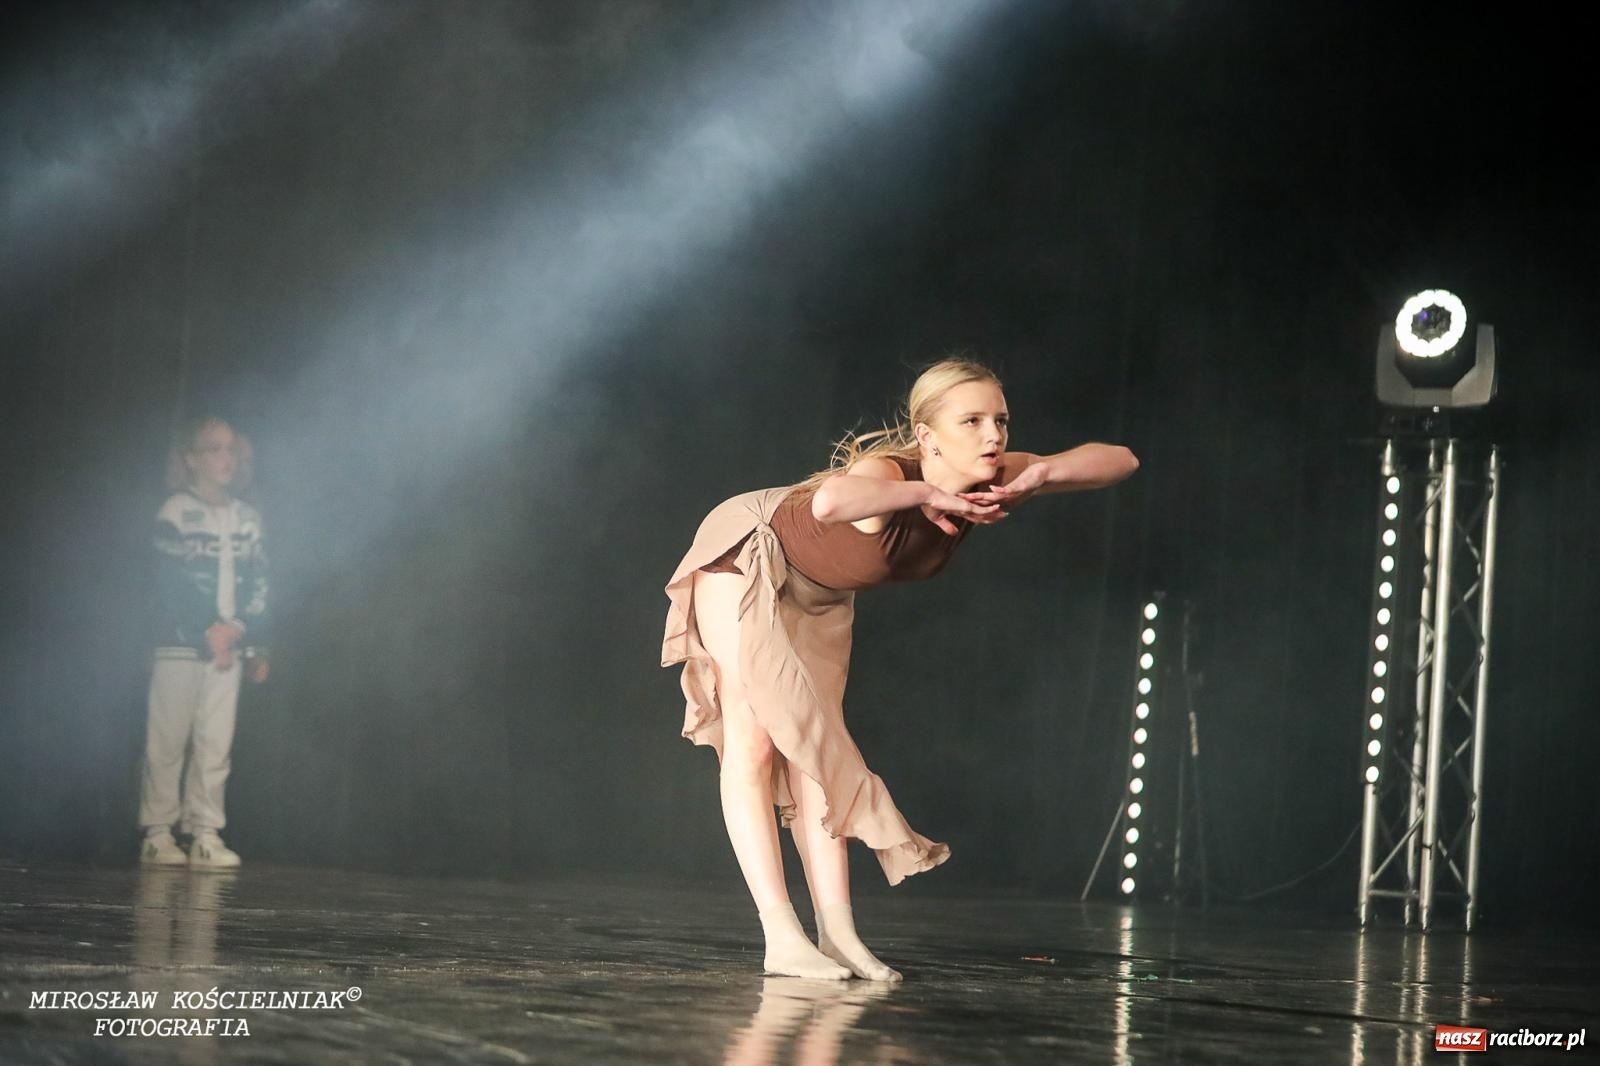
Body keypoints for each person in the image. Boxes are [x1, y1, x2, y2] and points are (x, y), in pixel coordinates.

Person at [661, 357, 1138, 980]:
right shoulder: (888, 474)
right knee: (754, 744)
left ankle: (839, 935)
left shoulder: (995, 471)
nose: (994, 436)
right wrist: (925, 492)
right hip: (746, 557)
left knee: (819, 749)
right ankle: (781, 934)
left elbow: (1121, 459)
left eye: (1001, 420)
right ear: (927, 436)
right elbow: (832, 501)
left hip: (819, 595)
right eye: (972, 421)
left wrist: (1043, 472)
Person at [138, 416, 270, 868]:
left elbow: (261, 582)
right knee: (169, 739)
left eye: (231, 449)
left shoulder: (247, 518)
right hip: (180, 645)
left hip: (226, 648)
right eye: (214, 449)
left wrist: (248, 636)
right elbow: (165, 586)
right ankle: (158, 832)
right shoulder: (175, 512)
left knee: (216, 742)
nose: (225, 458)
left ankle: (205, 832)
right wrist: (202, 632)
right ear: (191, 459)